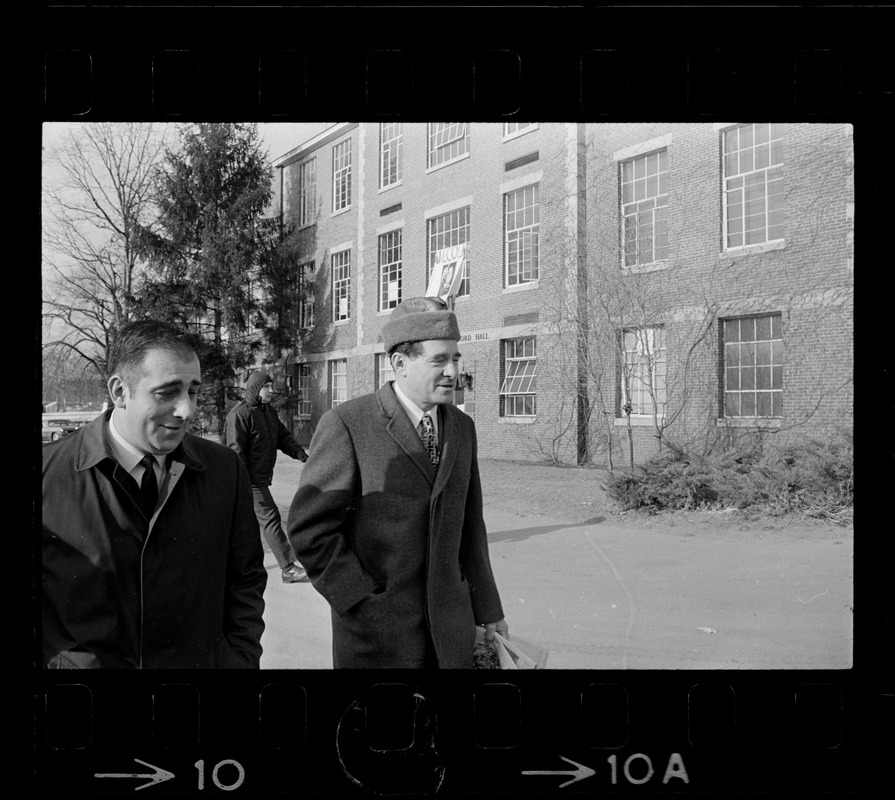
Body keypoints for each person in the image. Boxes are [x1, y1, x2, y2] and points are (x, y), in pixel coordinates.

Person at [287, 296, 508, 668]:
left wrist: (488, 608)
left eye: (455, 358)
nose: (453, 371)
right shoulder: (348, 424)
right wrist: (360, 600)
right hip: (376, 638)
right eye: (439, 360)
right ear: (400, 364)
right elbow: (310, 530)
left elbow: (471, 526)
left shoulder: (462, 428)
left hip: (450, 634)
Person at [41, 320, 267, 669]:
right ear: (119, 392)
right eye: (167, 392)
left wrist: (238, 661)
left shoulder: (225, 470)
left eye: (193, 391)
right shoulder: (48, 476)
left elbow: (246, 579)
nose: (186, 410)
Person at [225, 371, 310, 584]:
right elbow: (235, 452)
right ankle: (288, 568)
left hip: (260, 478)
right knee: (270, 518)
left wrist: (301, 454)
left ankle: (229, 565)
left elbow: (283, 437)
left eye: (272, 386)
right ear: (255, 389)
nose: (271, 391)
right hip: (249, 481)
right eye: (267, 387)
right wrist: (241, 483)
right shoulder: (240, 415)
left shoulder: (268, 413)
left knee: (244, 525)